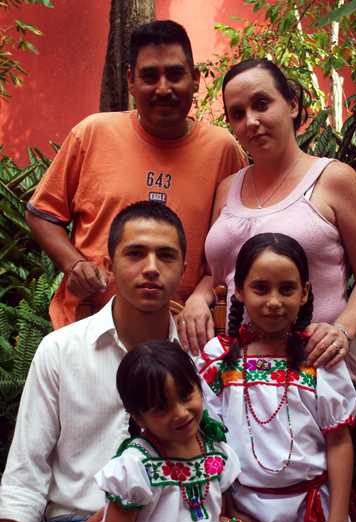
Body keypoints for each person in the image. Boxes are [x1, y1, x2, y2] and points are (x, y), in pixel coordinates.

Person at [25, 20, 247, 330]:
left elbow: (234, 244)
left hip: (179, 334)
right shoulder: (92, 134)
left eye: (175, 74)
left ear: (195, 80)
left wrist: (201, 297)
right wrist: (73, 264)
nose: (163, 88)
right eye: (149, 76)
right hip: (88, 323)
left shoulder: (222, 149)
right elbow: (42, 214)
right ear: (130, 81)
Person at [178, 59, 356, 383]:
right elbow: (218, 274)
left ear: (291, 104)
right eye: (237, 113)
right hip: (236, 374)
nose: (251, 121)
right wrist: (196, 298)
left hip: (315, 376)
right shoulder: (227, 188)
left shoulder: (334, 180)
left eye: (262, 104)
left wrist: (342, 331)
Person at [0, 201, 192, 522]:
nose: (151, 268)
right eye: (134, 253)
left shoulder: (197, 358)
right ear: (110, 266)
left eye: (166, 255)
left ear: (183, 268)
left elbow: (214, 456)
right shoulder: (61, 351)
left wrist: (131, 512)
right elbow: (25, 474)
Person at [197, 233, 356, 522]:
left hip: (313, 510)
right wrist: (225, 510)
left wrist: (338, 518)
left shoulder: (318, 358)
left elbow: (338, 441)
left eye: (287, 289)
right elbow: (212, 443)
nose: (274, 302)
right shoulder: (218, 359)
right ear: (239, 291)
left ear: (304, 293)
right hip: (241, 510)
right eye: (260, 288)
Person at [94, 340, 253, 522]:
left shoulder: (216, 454)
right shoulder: (135, 467)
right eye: (161, 407)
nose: (181, 414)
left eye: (186, 394)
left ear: (198, 384)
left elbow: (215, 517)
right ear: (138, 418)